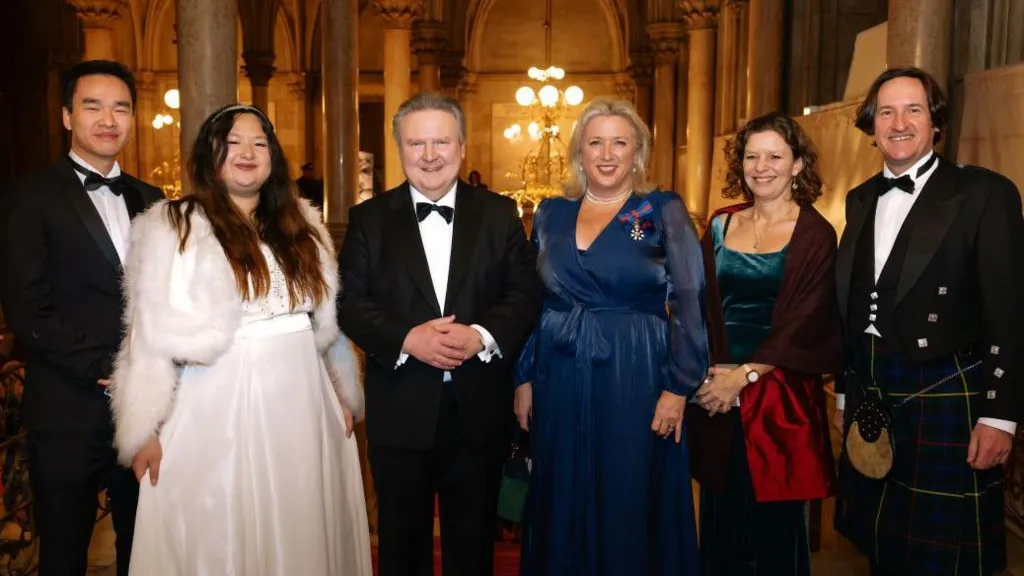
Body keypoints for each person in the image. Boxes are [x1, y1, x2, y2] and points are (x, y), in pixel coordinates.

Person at [110, 104, 372, 575]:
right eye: (232, 143)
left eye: (259, 142)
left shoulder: (303, 224)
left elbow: (325, 321)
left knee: (300, 515)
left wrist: (342, 388)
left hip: (302, 397)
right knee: (217, 522)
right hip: (216, 396)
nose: (247, 153)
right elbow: (144, 330)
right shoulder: (171, 224)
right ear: (209, 155)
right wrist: (142, 427)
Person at [337, 92, 542, 576]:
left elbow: (525, 292)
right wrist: (408, 339)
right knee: (401, 545)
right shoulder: (368, 218)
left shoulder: (499, 213)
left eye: (441, 142)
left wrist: (481, 335)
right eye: (416, 143)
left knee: (472, 547)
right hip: (400, 408)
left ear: (463, 147)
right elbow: (349, 302)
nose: (429, 155)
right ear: (399, 149)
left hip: (478, 409)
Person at [833, 67, 1024, 576]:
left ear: (936, 122)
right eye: (886, 112)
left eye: (913, 109)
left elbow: (1009, 310)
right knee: (882, 540)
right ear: (872, 125)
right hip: (873, 387)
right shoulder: (860, 198)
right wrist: (845, 393)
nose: (899, 123)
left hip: (946, 388)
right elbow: (852, 303)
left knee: (943, 555)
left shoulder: (985, 194)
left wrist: (999, 415)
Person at [513, 97, 707, 576]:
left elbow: (690, 298)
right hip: (557, 369)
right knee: (560, 485)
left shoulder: (663, 209)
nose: (606, 153)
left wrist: (679, 387)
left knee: (628, 487)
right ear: (578, 152)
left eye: (619, 142)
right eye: (595, 142)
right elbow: (534, 301)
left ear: (638, 151)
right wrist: (523, 376)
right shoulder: (551, 213)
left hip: (636, 371)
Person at [0, 59, 162, 576]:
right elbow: (28, 307)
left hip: (142, 415)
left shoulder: (152, 199)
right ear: (67, 116)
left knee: (142, 551)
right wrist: (107, 369)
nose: (108, 119)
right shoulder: (30, 196)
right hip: (67, 410)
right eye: (93, 107)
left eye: (121, 108)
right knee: (64, 555)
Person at [687, 113, 843, 576]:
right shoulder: (719, 224)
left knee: (776, 535)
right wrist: (703, 376)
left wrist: (746, 375)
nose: (762, 166)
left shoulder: (815, 233)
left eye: (775, 155)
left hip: (780, 400)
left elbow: (806, 322)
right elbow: (696, 306)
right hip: (717, 396)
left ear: (797, 164)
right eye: (752, 156)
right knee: (721, 523)